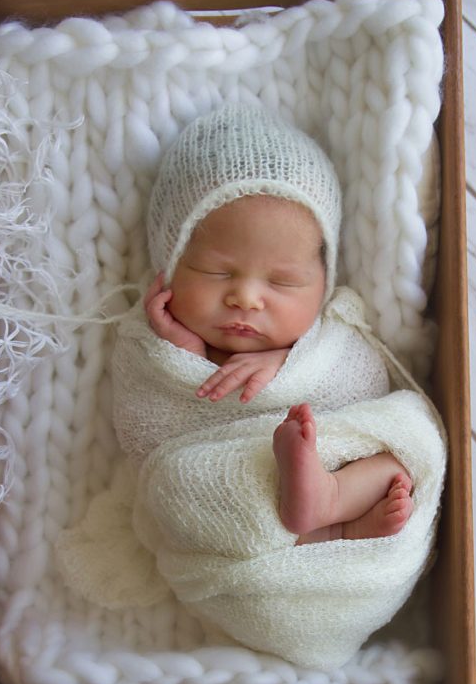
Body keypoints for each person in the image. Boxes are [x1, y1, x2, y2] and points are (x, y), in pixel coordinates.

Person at [141, 113, 414, 547]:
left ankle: (332, 505)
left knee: (412, 439)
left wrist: (291, 364)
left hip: (335, 470)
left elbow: (369, 385)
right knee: (170, 486)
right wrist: (181, 359)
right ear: (170, 262)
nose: (246, 298)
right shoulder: (152, 347)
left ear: (324, 284)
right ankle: (324, 527)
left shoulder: (329, 340)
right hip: (237, 505)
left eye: (282, 282)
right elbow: (143, 435)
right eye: (215, 271)